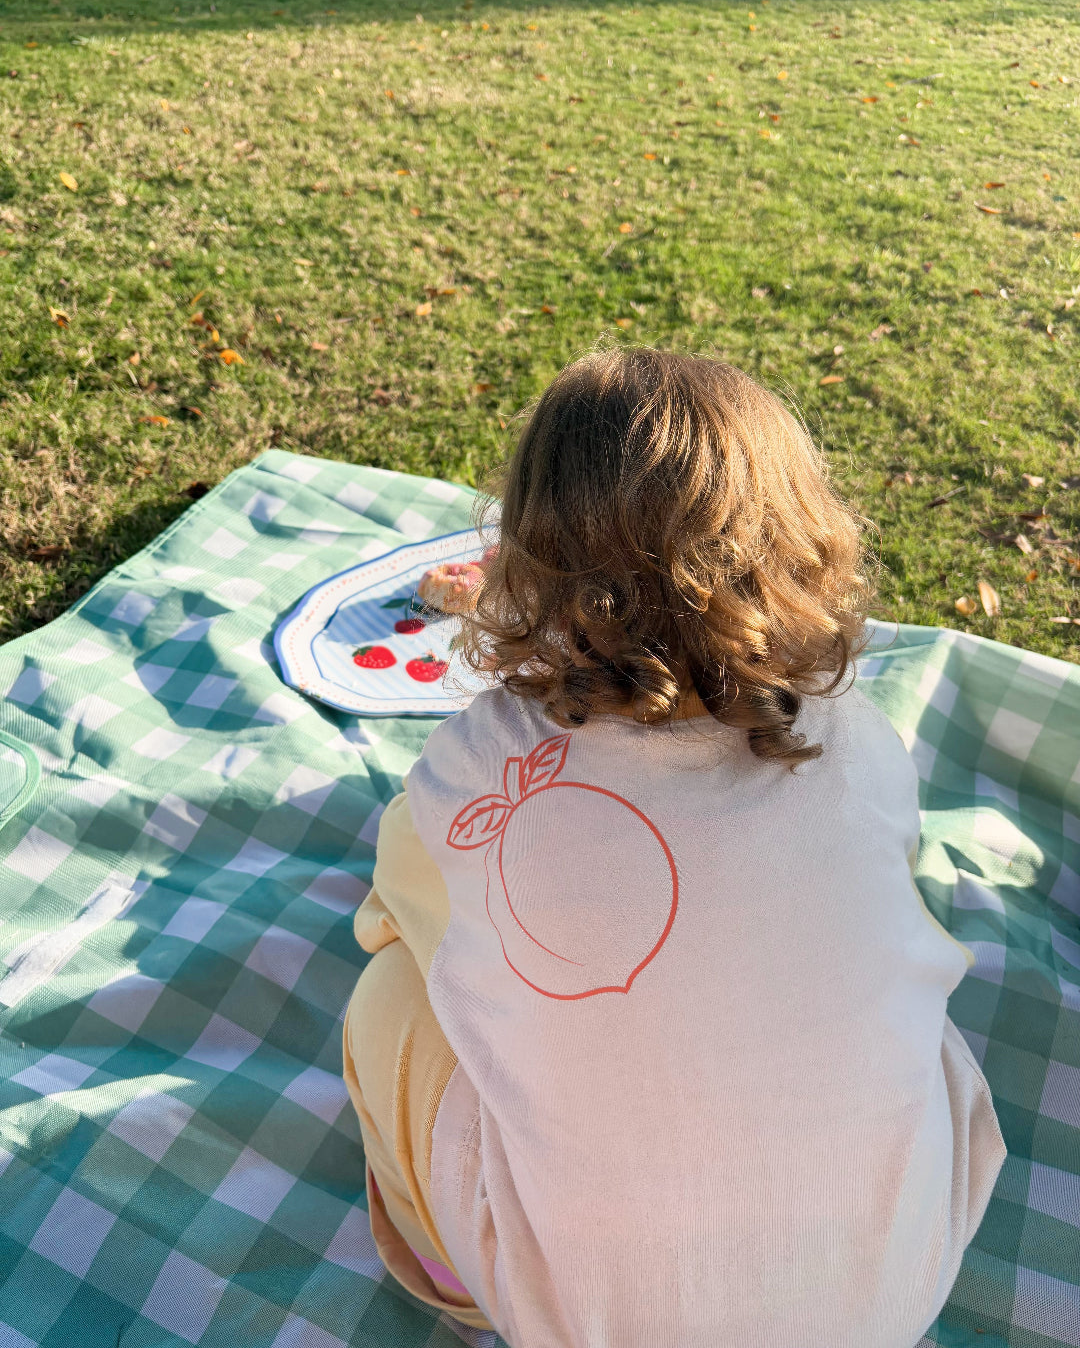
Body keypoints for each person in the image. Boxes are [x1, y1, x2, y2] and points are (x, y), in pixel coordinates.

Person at [341, 347, 1007, 1348]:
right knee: (895, 1005)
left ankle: (457, 1272)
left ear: (527, 559)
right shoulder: (857, 735)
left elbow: (396, 913)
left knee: (390, 995)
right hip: (889, 1297)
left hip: (585, 1319)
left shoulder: (482, 765)